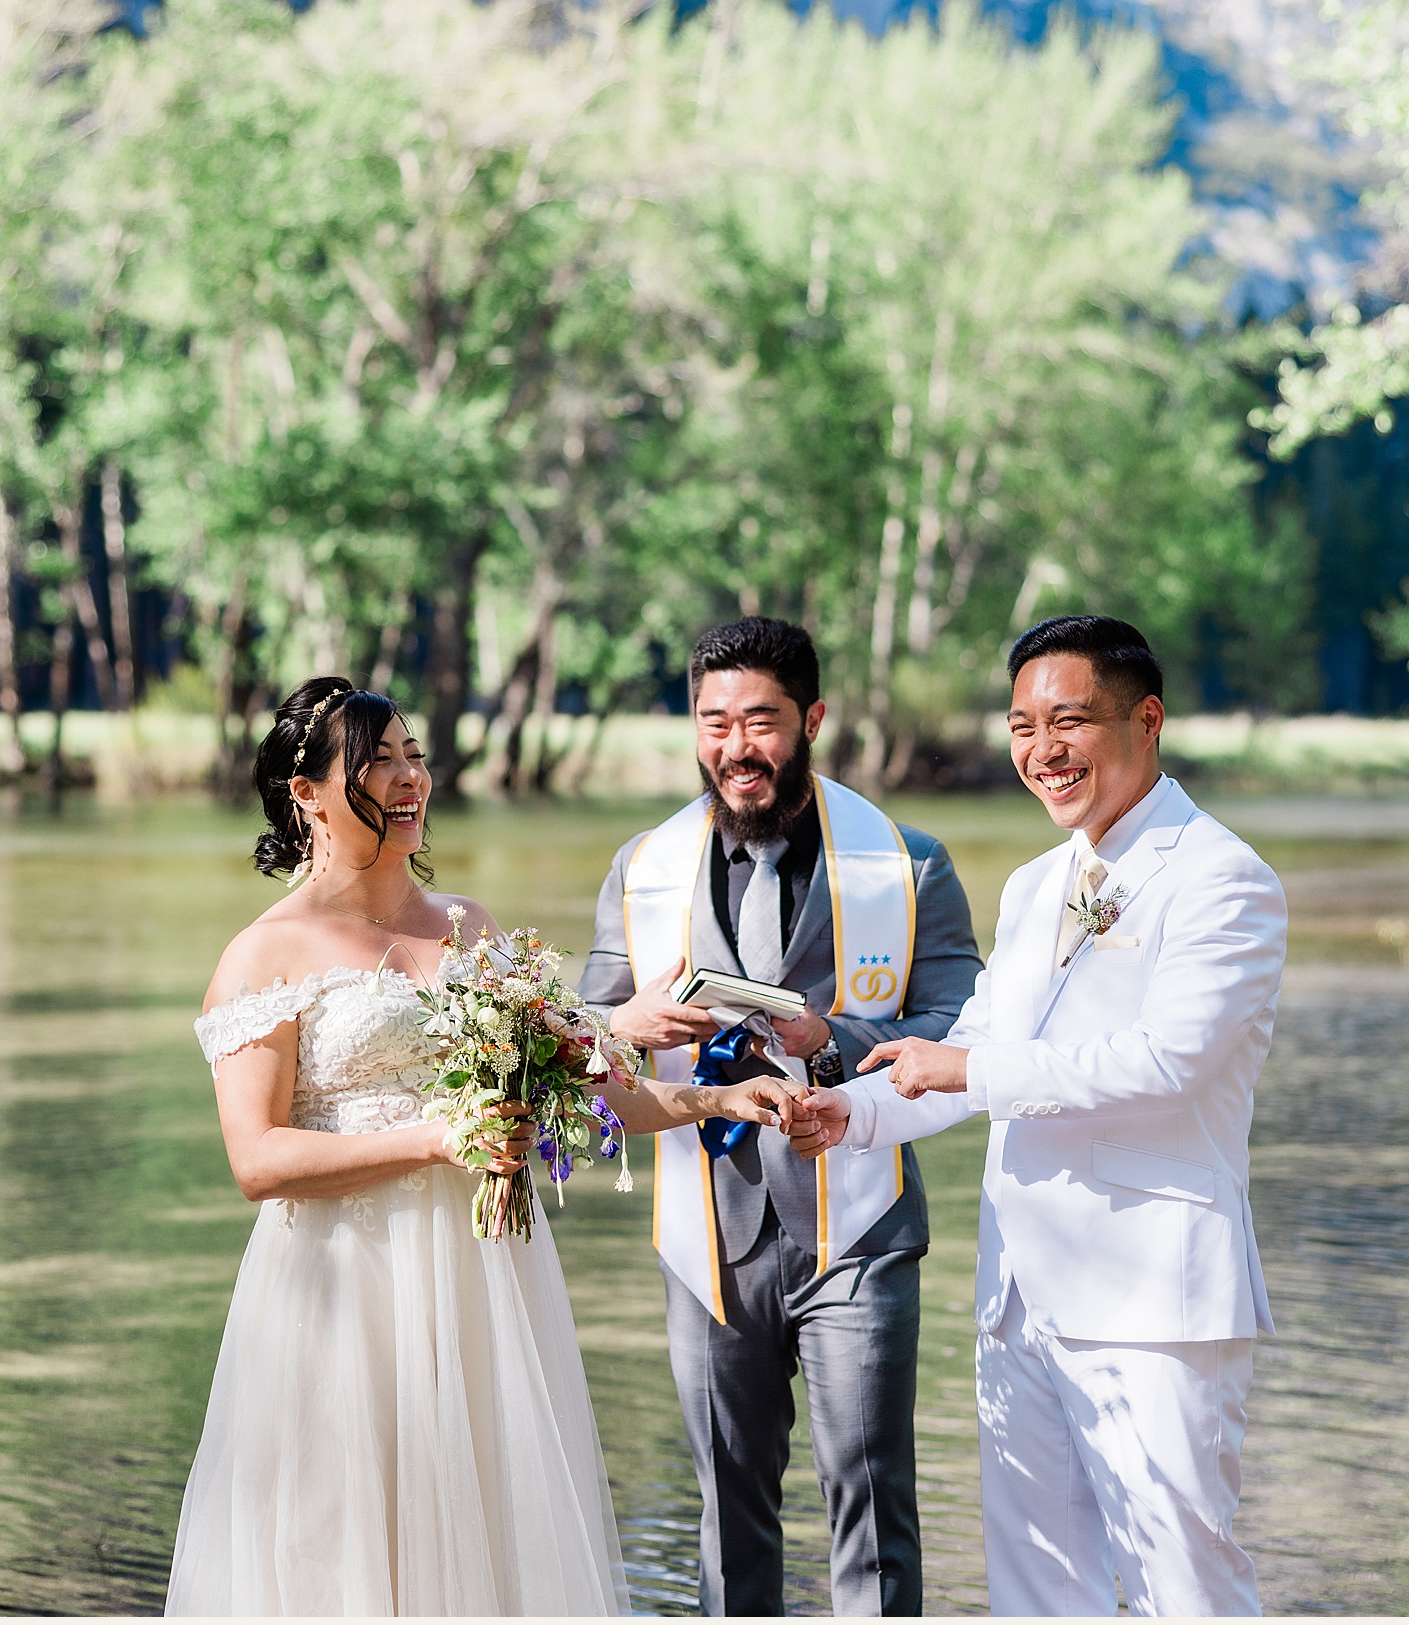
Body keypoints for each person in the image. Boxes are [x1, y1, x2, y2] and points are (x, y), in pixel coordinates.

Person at [166, 676, 801, 1617]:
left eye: (412, 754)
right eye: (375, 761)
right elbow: (257, 1159)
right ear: (306, 793)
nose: (408, 777)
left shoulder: (467, 926)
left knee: (491, 1536)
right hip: (342, 1289)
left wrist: (726, 1096)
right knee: (340, 1540)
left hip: (482, 1278)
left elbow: (596, 1090)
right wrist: (437, 1137)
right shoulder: (266, 953)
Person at [788, 615, 1285, 1616]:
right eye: (1021, 725)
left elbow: (1165, 1061)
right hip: (1019, 1296)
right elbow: (969, 1047)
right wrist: (849, 1110)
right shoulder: (1033, 885)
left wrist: (968, 1065)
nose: (1040, 751)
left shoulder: (1221, 878)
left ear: (1146, 720)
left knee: (1181, 1583)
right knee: (1036, 1590)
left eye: (1068, 721)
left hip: (1151, 1302)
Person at [579, 619, 981, 1617]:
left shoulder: (907, 862)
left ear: (812, 719)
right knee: (726, 1507)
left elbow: (966, 1027)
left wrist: (831, 1037)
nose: (735, 746)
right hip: (704, 1233)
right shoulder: (643, 867)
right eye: (714, 722)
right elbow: (574, 1040)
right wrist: (622, 1021)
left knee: (871, 1497)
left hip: (859, 1226)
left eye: (760, 720)